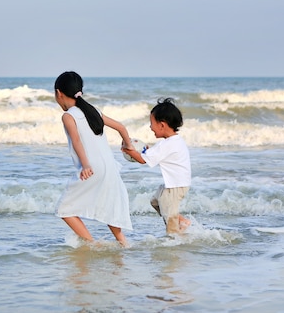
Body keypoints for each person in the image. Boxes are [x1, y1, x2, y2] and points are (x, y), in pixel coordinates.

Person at [54, 71, 134, 246]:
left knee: (64, 209)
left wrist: (85, 165)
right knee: (108, 205)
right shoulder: (94, 111)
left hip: (92, 167)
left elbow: (76, 141)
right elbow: (121, 127)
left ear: (59, 93)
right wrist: (128, 145)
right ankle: (123, 242)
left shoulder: (68, 116)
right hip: (110, 167)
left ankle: (91, 243)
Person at [122, 98, 192, 235]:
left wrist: (129, 151)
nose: (150, 127)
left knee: (169, 214)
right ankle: (182, 221)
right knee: (156, 202)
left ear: (162, 125)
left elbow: (143, 160)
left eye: (151, 123)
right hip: (176, 183)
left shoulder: (166, 144)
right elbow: (154, 154)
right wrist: (145, 151)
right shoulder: (174, 141)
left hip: (175, 186)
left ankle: (174, 239)